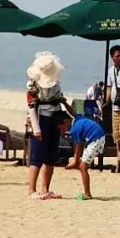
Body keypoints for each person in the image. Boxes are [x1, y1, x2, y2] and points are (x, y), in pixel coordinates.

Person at [26, 52, 66, 200]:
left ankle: (45, 188)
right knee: (37, 156)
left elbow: (58, 101)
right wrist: (36, 128)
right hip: (40, 118)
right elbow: (31, 107)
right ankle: (31, 189)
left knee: (51, 155)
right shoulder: (33, 84)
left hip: (54, 119)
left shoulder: (56, 82)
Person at [57, 113, 106, 199]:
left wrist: (75, 161)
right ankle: (87, 192)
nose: (63, 131)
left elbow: (78, 147)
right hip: (98, 137)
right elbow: (72, 111)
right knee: (82, 165)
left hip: (96, 140)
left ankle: (87, 193)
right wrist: (64, 103)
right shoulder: (77, 118)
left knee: (83, 167)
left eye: (62, 128)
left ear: (66, 122)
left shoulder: (74, 130)